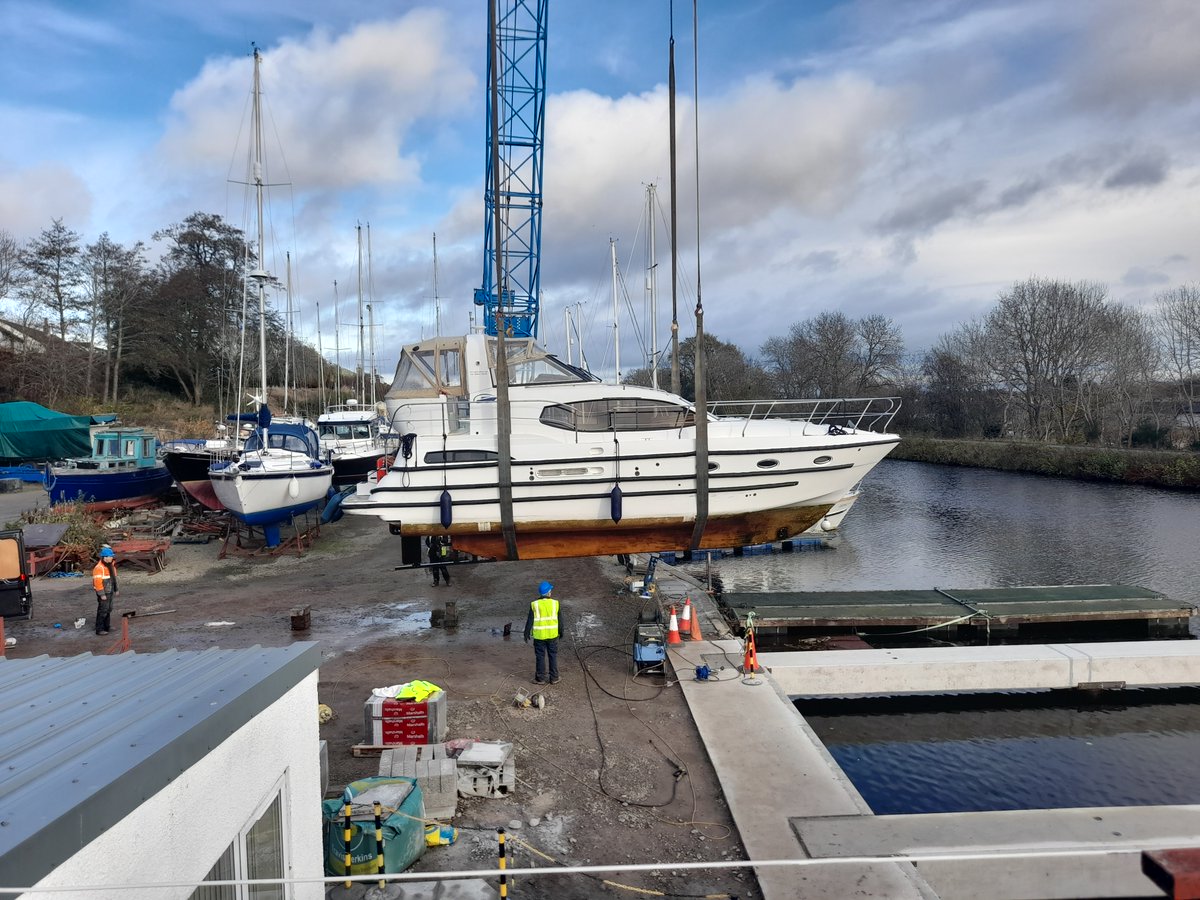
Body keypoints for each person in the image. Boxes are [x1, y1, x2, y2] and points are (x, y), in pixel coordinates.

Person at [524, 579, 561, 685]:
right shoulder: (555, 603)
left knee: (540, 656)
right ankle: (554, 678)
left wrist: (526, 633)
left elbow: (530, 620)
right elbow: (560, 620)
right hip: (553, 635)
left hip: (539, 637)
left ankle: (540, 678)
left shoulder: (534, 604)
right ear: (549, 592)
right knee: (552, 655)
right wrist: (561, 631)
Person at [91, 545, 118, 635]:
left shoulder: (111, 566)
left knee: (109, 609)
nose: (112, 558)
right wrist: (102, 594)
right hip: (104, 592)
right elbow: (97, 582)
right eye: (110, 557)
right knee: (103, 610)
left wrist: (116, 589)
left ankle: (107, 626)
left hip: (109, 591)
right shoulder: (99, 568)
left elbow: (114, 579)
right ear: (105, 558)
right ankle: (99, 629)